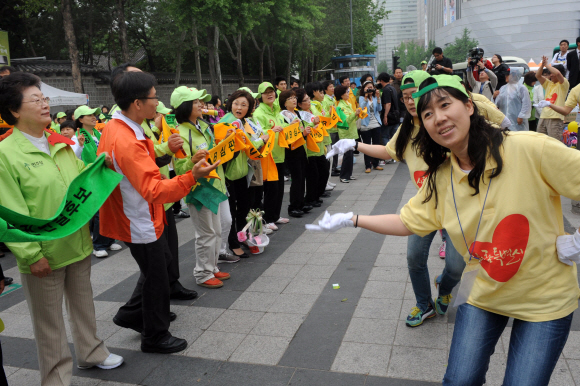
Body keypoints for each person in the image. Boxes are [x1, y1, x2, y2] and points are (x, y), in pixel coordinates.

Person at [309, 74, 580, 385]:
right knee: (459, 380)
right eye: (427, 114)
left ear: (468, 106)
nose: (438, 118)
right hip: (482, 292)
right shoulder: (440, 177)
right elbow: (407, 221)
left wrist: (577, 241)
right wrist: (352, 218)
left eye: (445, 105)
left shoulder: (529, 149)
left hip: (544, 298)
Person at [0, 72, 124, 385]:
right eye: (36, 100)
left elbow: (82, 180)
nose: (45, 104)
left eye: (44, 98)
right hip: (43, 254)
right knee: (49, 323)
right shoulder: (5, 154)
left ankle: (92, 351)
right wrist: (30, 254)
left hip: (77, 244)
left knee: (84, 304)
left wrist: (103, 166)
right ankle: (56, 378)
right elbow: (10, 213)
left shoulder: (61, 143)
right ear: (14, 110)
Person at [329, 71, 465, 326]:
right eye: (406, 97)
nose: (412, 101)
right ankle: (424, 305)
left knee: (456, 268)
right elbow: (388, 151)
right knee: (414, 258)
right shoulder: (406, 129)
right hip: (425, 205)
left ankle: (445, 288)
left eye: (416, 95)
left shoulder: (444, 124)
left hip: (460, 208)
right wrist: (354, 144)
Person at [99, 71, 218, 354]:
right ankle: (154, 335)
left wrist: (174, 155)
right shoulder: (125, 138)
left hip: (139, 215)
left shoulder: (123, 127)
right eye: (154, 98)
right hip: (138, 218)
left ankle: (131, 314)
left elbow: (147, 153)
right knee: (156, 277)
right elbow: (154, 190)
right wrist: (193, 176)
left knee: (158, 267)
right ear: (138, 103)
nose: (158, 103)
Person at [171, 86, 232, 287]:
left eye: (200, 101)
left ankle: (212, 267)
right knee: (205, 233)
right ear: (184, 106)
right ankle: (203, 274)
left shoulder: (204, 127)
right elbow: (180, 167)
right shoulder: (179, 133)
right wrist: (192, 161)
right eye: (195, 101)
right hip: (198, 191)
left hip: (214, 187)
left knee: (216, 231)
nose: (200, 104)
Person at [219, 89, 266, 258]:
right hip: (228, 174)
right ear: (230, 104)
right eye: (236, 103)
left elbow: (251, 143)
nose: (239, 107)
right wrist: (264, 139)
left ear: (250, 108)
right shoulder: (226, 122)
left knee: (244, 207)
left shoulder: (244, 122)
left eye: (244, 105)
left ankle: (241, 236)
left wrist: (262, 139)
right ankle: (232, 243)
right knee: (231, 211)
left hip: (242, 172)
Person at [74, 105, 124, 258]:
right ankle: (98, 244)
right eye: (89, 115)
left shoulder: (96, 133)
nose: (93, 116)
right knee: (99, 212)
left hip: (104, 173)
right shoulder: (78, 136)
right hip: (92, 176)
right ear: (80, 119)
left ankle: (108, 240)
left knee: (109, 209)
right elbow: (77, 157)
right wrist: (81, 145)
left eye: (94, 114)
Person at [253, 82, 288, 224]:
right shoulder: (258, 113)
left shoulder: (277, 111)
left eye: (271, 91)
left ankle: (276, 216)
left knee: (279, 189)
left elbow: (283, 127)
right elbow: (258, 135)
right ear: (260, 96)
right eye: (266, 92)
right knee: (270, 190)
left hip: (280, 154)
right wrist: (271, 131)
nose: (270, 94)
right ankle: (268, 219)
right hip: (268, 157)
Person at [279, 89, 313, 216]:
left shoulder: (297, 113)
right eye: (290, 98)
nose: (294, 100)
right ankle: (293, 206)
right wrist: (302, 133)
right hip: (292, 150)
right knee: (297, 177)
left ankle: (300, 203)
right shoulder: (283, 115)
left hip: (301, 147)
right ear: (284, 102)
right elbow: (286, 133)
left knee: (302, 176)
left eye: (294, 98)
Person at [296, 88, 329, 207]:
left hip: (319, 145)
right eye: (305, 100)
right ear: (299, 104)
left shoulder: (313, 108)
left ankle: (317, 195)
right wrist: (313, 125)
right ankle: (310, 198)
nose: (309, 102)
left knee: (324, 172)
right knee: (312, 176)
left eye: (309, 99)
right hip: (309, 149)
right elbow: (302, 129)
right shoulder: (299, 114)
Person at [307, 81, 336, 193]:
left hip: (324, 136)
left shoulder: (319, 104)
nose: (323, 94)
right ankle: (322, 186)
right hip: (319, 139)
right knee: (324, 163)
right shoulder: (314, 106)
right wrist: (328, 114)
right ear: (313, 93)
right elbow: (321, 119)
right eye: (320, 92)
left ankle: (326, 182)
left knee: (328, 161)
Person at [536, 56, 569, 140]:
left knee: (554, 143)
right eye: (550, 73)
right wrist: (542, 65)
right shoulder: (548, 84)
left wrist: (547, 65)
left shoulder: (564, 84)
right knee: (540, 141)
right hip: (543, 116)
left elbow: (557, 74)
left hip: (555, 117)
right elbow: (538, 75)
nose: (551, 75)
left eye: (552, 72)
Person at [334, 85, 361, 183]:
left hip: (351, 132)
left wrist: (358, 115)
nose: (347, 94)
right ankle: (343, 176)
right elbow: (346, 121)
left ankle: (348, 174)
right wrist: (355, 114)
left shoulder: (348, 103)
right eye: (346, 92)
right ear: (341, 95)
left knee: (350, 155)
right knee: (347, 155)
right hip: (346, 133)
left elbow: (353, 119)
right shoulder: (340, 107)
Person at [357, 80, 383, 173]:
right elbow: (362, 107)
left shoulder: (376, 97)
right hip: (366, 124)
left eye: (371, 87)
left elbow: (379, 109)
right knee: (367, 145)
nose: (370, 89)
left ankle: (376, 164)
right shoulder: (361, 98)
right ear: (364, 88)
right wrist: (365, 96)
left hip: (376, 123)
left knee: (376, 145)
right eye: (367, 87)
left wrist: (378, 98)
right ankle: (368, 166)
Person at [377, 72, 399, 159]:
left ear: (381, 81)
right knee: (394, 136)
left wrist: (385, 116)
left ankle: (390, 155)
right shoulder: (392, 88)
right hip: (395, 115)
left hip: (389, 116)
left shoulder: (386, 90)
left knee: (385, 136)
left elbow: (388, 104)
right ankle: (396, 153)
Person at [322, 80, 340, 176]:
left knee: (336, 148)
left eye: (333, 86)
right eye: (330, 87)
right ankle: (332, 168)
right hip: (331, 128)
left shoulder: (333, 98)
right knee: (332, 149)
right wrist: (329, 111)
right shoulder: (325, 100)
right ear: (325, 89)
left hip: (335, 126)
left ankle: (335, 166)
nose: (333, 88)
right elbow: (324, 114)